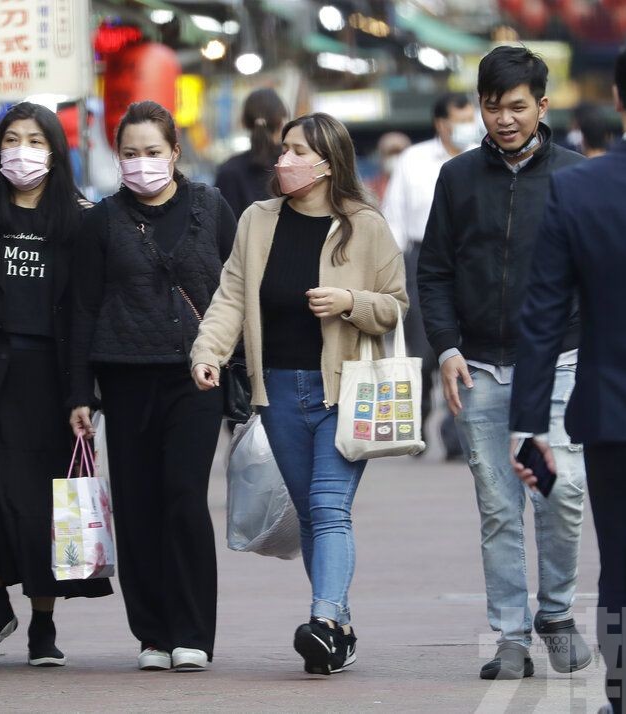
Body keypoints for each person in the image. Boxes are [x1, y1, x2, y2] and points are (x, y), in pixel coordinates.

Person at [191, 112, 407, 676]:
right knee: (312, 518)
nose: (283, 159)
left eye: (296, 151)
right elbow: (232, 296)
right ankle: (341, 628)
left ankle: (325, 622)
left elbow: (395, 306)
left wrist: (350, 303)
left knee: (329, 508)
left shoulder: (366, 225)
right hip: (278, 390)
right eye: (283, 149)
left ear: (327, 164)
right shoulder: (258, 221)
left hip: (345, 392)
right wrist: (208, 353)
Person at [509, 29, 626, 714]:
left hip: (612, 413)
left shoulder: (578, 191)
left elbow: (541, 317)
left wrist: (529, 424)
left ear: (617, 97)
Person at [416, 46, 591, 681]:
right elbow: (432, 272)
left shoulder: (574, 179)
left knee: (560, 491)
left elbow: (593, 278)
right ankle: (512, 636)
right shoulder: (457, 178)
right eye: (493, 108)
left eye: (516, 107)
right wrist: (448, 347)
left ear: (542, 106)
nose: (504, 119)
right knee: (498, 507)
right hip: (480, 372)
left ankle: (557, 612)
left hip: (559, 366)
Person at [0, 102, 111, 667]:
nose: (22, 150)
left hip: (49, 381)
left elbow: (88, 314)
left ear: (56, 152)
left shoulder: (80, 220)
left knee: (40, 504)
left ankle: (42, 623)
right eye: (12, 139)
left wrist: (83, 394)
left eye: (35, 140)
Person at [69, 100, 237, 672]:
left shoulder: (210, 208)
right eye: (131, 154)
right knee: (138, 505)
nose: (142, 164)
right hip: (124, 377)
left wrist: (243, 372)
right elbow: (82, 308)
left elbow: (237, 291)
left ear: (175, 153)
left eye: (153, 152)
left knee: (185, 498)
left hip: (196, 376)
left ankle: (192, 631)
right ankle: (153, 634)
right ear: (118, 158)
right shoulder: (102, 221)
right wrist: (79, 394)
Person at [382, 93, 478, 461]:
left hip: (470, 259)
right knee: (424, 351)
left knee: (467, 347)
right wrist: (394, 273)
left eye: (471, 117)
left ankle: (456, 436)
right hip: (422, 259)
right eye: (461, 118)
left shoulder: (482, 156)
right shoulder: (414, 160)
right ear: (441, 123)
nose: (468, 125)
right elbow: (395, 217)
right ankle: (418, 422)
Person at [215, 87, 288, 219]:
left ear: (244, 122)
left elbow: (221, 228)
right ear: (282, 122)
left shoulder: (229, 170)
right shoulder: (293, 167)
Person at [364, 131, 410, 203]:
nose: (395, 157)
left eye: (399, 152)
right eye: (391, 153)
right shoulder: (368, 189)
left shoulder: (419, 186)